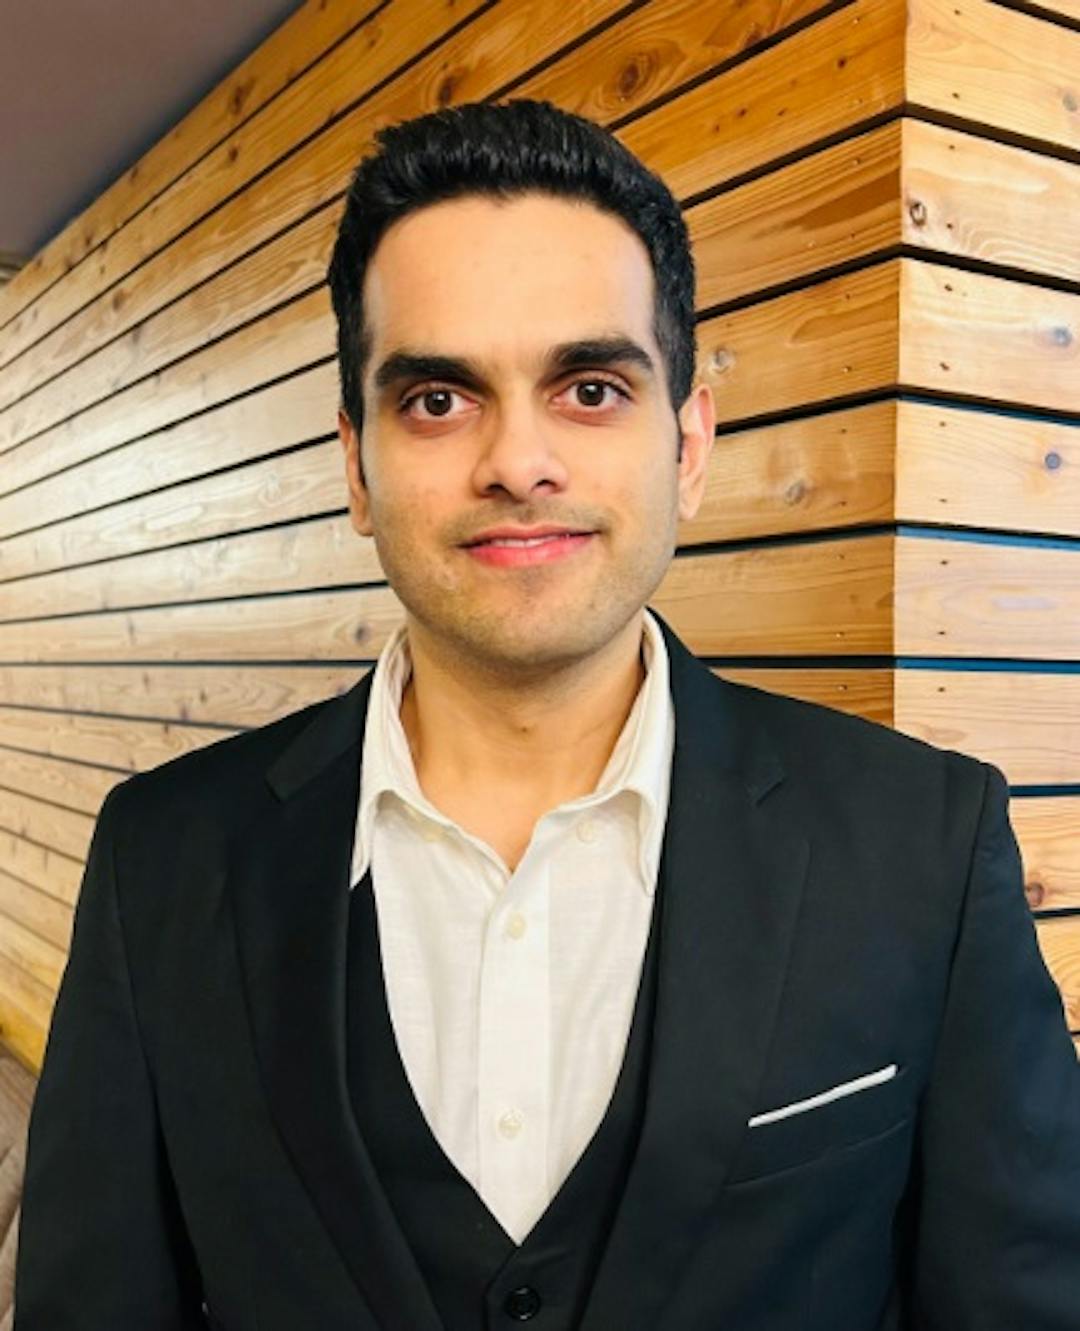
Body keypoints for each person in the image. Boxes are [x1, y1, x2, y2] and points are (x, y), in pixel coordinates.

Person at [14, 98, 1080, 1331]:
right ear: (355, 465)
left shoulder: (924, 844)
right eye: (438, 399)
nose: (518, 461)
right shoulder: (162, 862)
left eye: (589, 387)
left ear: (688, 444)